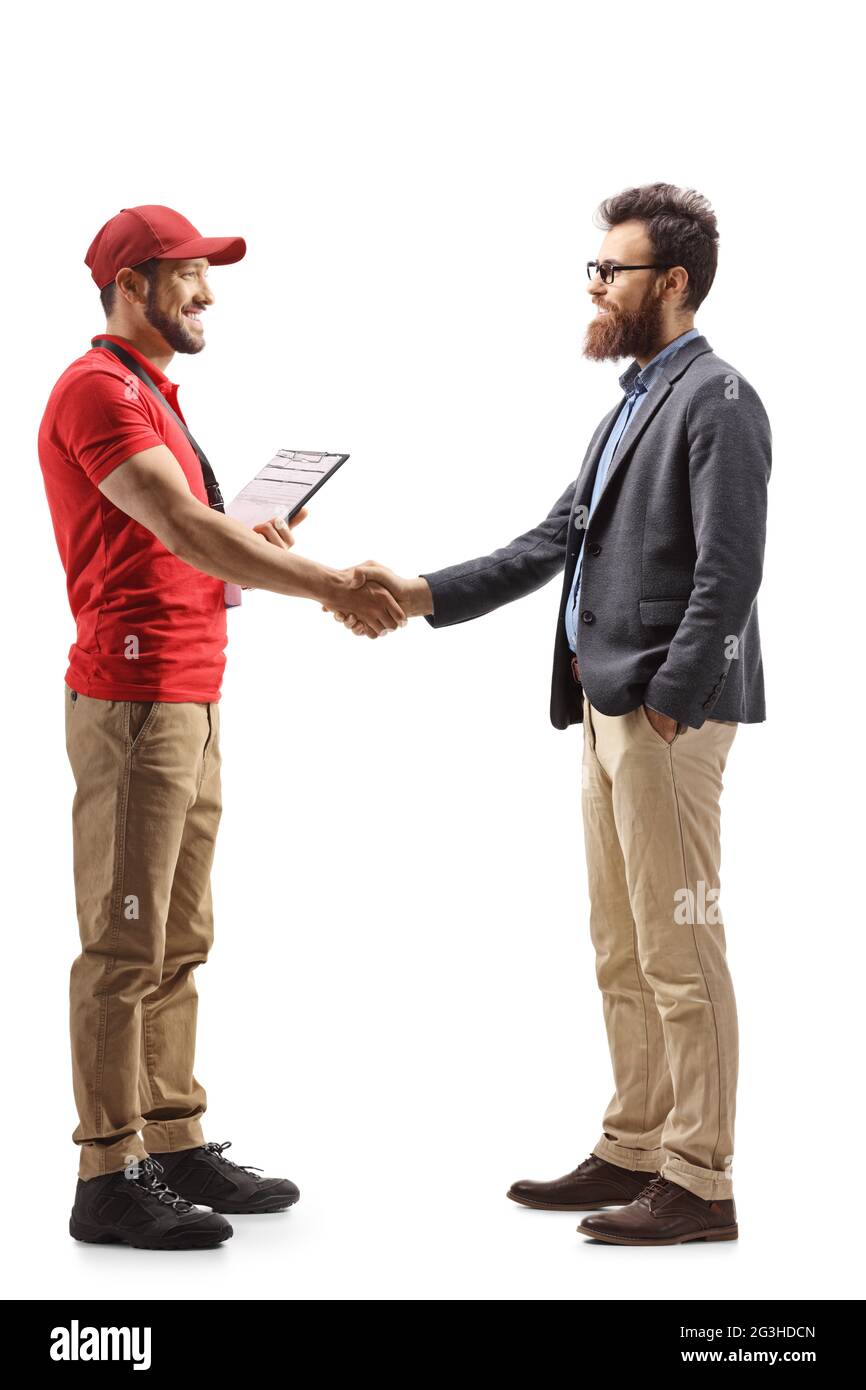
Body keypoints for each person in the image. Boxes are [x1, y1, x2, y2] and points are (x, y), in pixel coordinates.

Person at [325, 183, 772, 1247]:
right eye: (594, 268)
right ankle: (633, 1144)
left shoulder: (717, 400)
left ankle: (699, 1178)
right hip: (603, 708)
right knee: (620, 943)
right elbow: (550, 538)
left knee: (678, 944)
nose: (594, 286)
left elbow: (730, 570)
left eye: (609, 270)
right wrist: (419, 589)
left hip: (662, 716)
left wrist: (668, 703)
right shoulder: (629, 403)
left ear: (668, 283)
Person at [39, 204, 406, 1251]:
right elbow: (185, 527)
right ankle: (106, 1174)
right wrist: (327, 581)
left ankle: (173, 1134)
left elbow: (199, 537)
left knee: (179, 935)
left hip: (191, 693)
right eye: (186, 274)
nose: (206, 294)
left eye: (207, 274)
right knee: (122, 941)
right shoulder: (98, 390)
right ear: (129, 287)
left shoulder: (154, 392)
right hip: (135, 698)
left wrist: (259, 540)